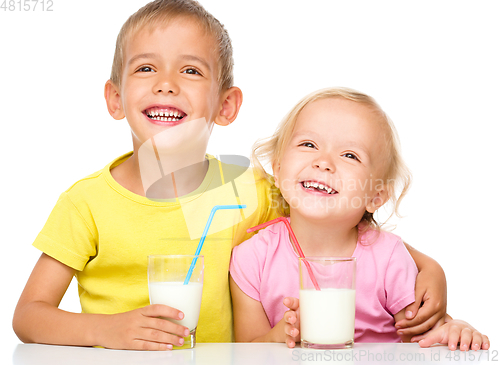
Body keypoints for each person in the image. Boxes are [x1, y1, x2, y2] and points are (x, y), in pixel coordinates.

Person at [12, 0, 446, 351]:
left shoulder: (247, 187)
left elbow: (340, 218)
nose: (166, 84)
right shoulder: (87, 204)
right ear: (115, 98)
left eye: (191, 70)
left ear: (226, 106)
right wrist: (105, 332)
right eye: (146, 68)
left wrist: (430, 267)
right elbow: (28, 316)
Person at [230, 87, 490, 351]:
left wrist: (455, 330)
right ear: (277, 168)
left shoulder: (388, 258)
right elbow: (246, 349)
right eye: (309, 144)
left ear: (376, 197)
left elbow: (422, 338)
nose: (323, 162)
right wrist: (278, 336)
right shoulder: (251, 260)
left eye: (350, 155)